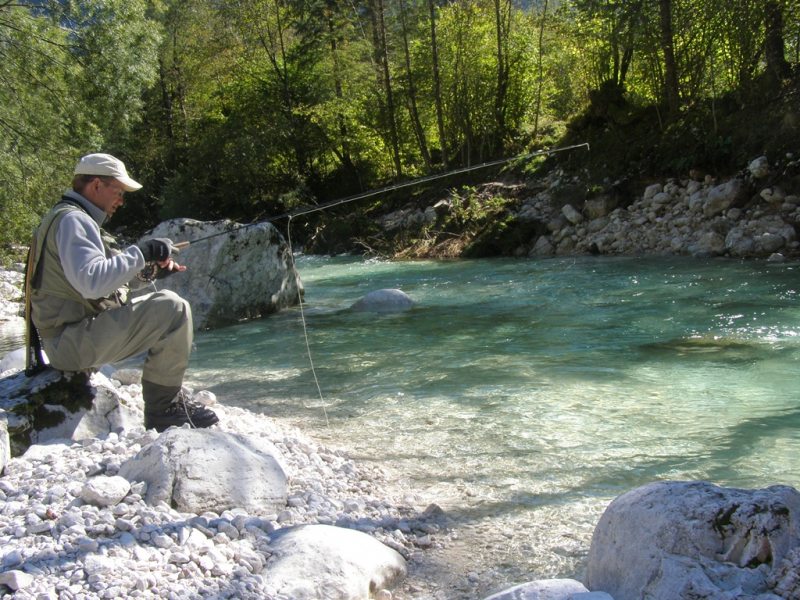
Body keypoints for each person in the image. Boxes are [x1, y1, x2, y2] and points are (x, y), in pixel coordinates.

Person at [24, 152, 218, 432]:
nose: (122, 200)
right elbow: (92, 283)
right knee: (173, 309)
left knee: (168, 306)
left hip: (68, 338)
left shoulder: (67, 217)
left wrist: (150, 272)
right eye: (119, 191)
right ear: (96, 186)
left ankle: (166, 404)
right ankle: (163, 408)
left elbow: (96, 282)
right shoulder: (74, 222)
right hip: (70, 343)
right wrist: (142, 252)